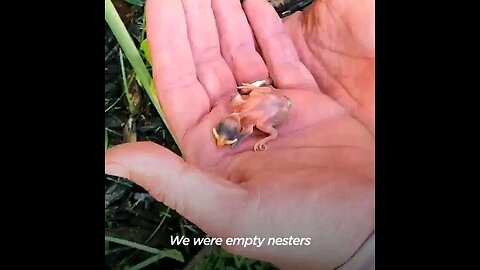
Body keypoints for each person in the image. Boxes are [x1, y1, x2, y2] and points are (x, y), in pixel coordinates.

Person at [105, 0, 375, 269]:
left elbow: (261, 121)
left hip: (274, 106)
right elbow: (249, 99)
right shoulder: (242, 110)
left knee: (263, 121)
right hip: (269, 101)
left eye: (224, 137)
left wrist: (266, 137)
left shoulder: (252, 122)